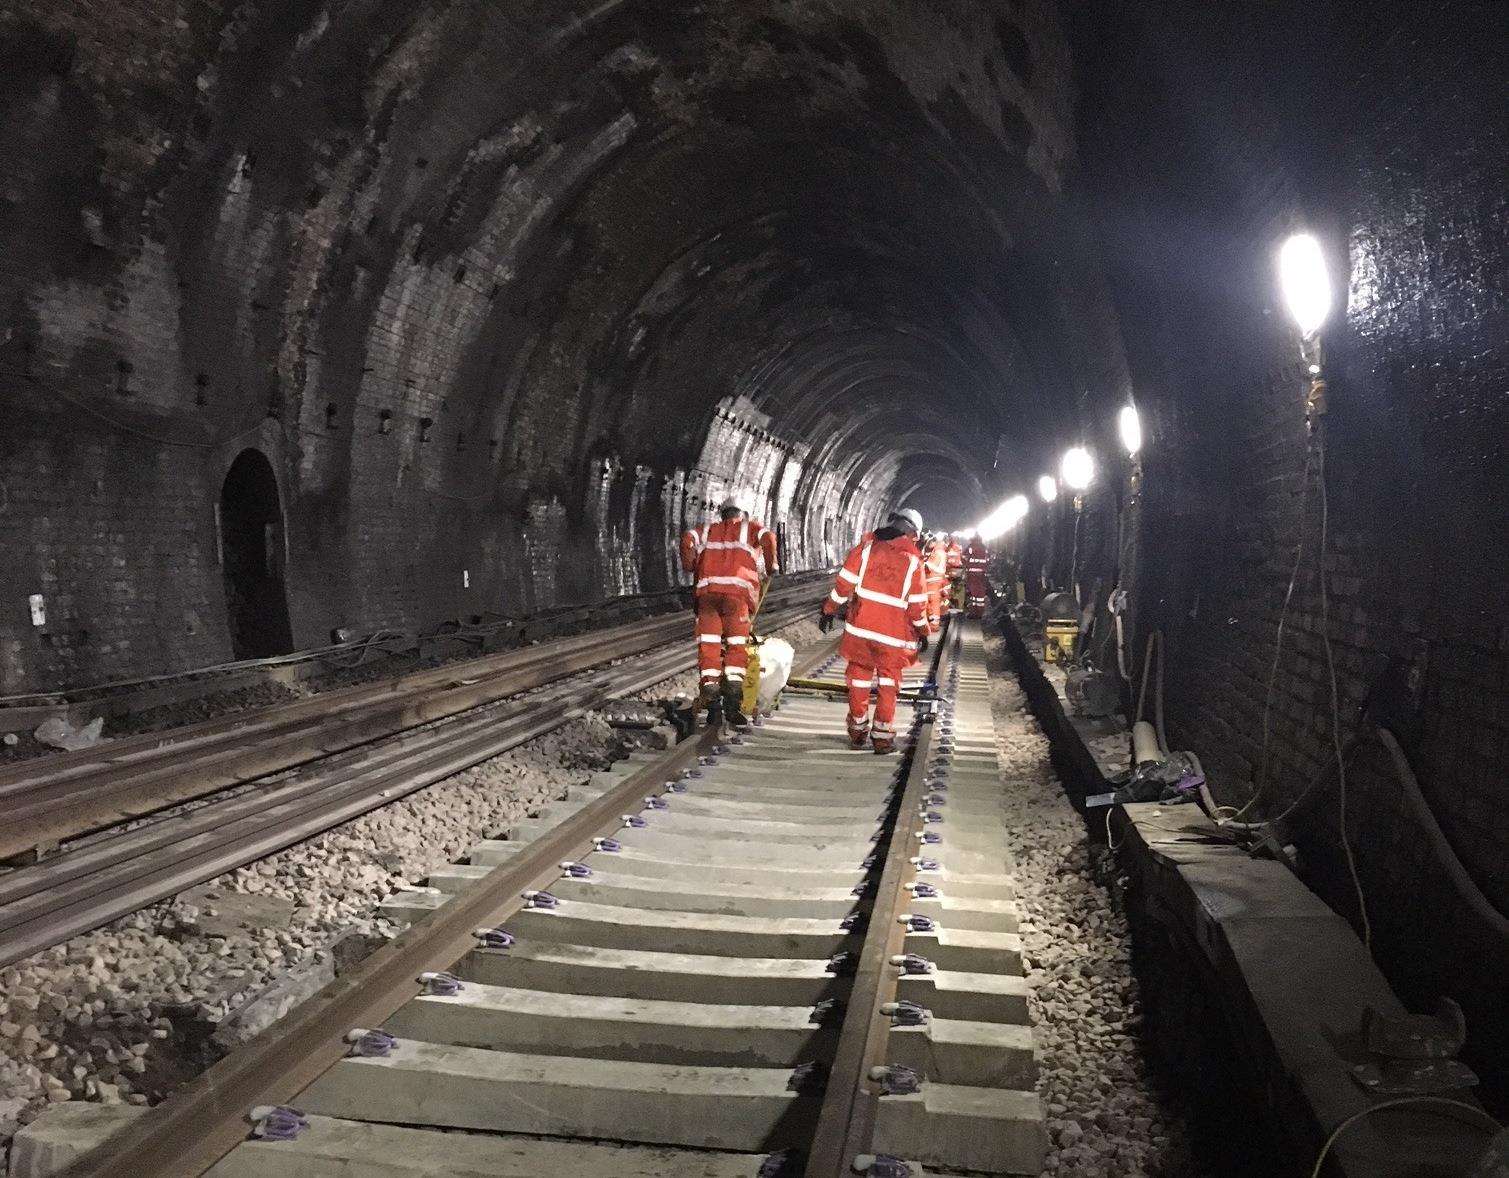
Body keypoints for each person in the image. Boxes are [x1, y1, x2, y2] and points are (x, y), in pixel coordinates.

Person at [818, 507, 930, 754]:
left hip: (861, 630)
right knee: (889, 684)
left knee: (858, 678)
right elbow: (917, 605)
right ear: (912, 533)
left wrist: (828, 609)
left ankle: (857, 730)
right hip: (892, 636)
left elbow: (843, 584)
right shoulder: (913, 560)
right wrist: (923, 631)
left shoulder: (866, 548)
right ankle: (881, 737)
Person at [679, 499, 778, 729]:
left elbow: (687, 539)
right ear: (742, 513)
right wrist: (772, 564)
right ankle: (733, 689)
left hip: (707, 596)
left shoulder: (707, 530)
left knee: (709, 643)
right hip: (736, 597)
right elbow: (769, 538)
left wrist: (690, 564)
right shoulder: (749, 527)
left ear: (721, 514)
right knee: (736, 644)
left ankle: (711, 686)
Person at [921, 530, 949, 633]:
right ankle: (934, 622)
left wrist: (924, 564)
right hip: (936, 580)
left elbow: (931, 565)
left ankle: (933, 624)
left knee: (933, 601)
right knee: (934, 601)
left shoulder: (938, 552)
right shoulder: (940, 551)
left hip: (933, 580)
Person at [964, 533, 991, 618]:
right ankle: (980, 613)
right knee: (980, 594)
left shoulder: (970, 547)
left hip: (972, 574)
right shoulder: (984, 548)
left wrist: (967, 565)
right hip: (982, 575)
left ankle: (973, 612)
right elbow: (988, 560)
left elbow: (963, 557)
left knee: (973, 594)